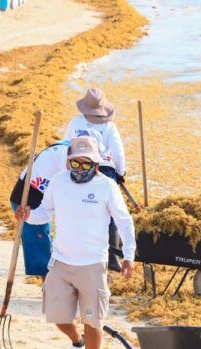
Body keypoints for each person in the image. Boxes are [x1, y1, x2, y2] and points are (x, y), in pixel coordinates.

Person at [15, 136, 136, 349]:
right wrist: (28, 215)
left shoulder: (107, 187)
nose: (80, 169)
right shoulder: (58, 182)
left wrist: (128, 256)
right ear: (68, 162)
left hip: (92, 265)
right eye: (75, 163)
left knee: (93, 319)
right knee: (56, 315)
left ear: (96, 165)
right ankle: (77, 342)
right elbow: (44, 213)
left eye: (86, 164)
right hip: (61, 262)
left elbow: (124, 222)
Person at [64, 87, 126, 272]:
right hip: (104, 169)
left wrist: (66, 168)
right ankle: (112, 258)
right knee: (110, 213)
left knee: (80, 209)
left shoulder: (75, 123)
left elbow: (65, 145)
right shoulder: (108, 127)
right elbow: (118, 152)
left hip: (78, 168)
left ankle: (78, 252)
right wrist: (121, 172)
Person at [9, 139, 75, 281]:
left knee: (46, 242)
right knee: (41, 246)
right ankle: (48, 285)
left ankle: (52, 281)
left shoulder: (70, 152)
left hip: (42, 196)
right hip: (28, 200)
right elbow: (67, 194)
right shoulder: (63, 159)